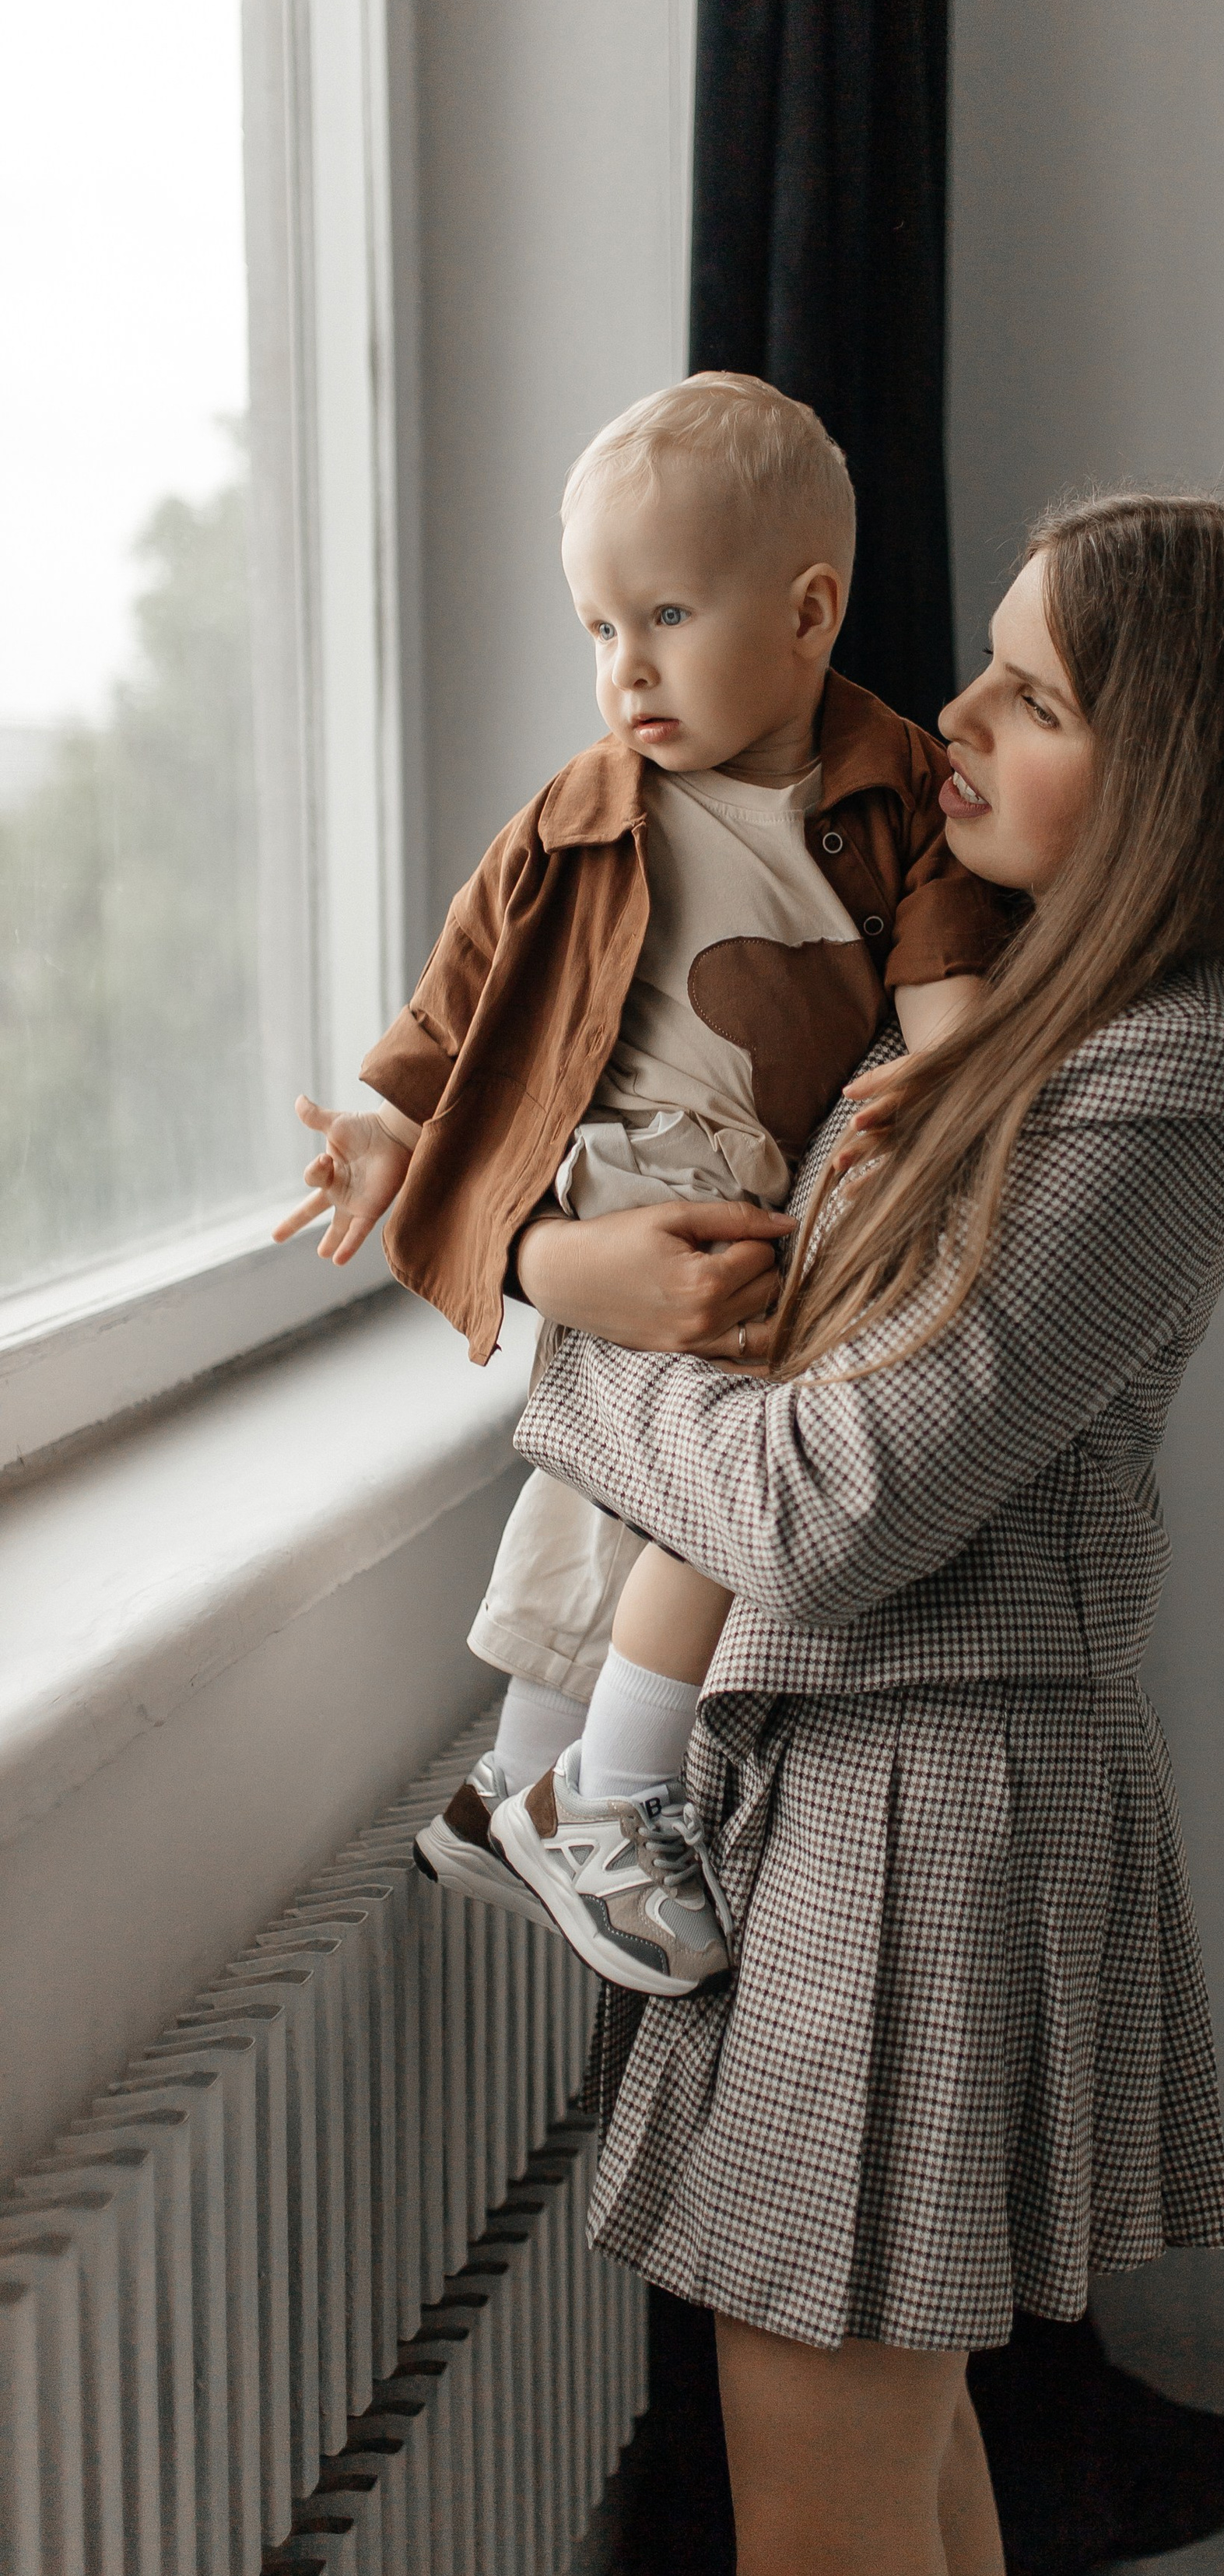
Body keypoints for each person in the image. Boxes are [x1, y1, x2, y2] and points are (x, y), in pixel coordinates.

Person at [509, 491, 1224, 2576]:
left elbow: (823, 1502)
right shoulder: (988, 1037)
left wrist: (556, 1326)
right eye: (986, 659)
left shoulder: (1163, 1080)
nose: (955, 716)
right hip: (871, 1797)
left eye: (1037, 693)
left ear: (1173, 778)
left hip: (925, 1817)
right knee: (903, 2508)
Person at [273, 374, 1014, 1991]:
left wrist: (944, 1080)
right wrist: (391, 1128)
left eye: (665, 617)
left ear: (808, 610)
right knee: (738, 1471)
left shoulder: (888, 790)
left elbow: (943, 971)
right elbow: (456, 994)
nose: (625, 671)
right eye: (599, 630)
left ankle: (512, 1783)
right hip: (633, 1184)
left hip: (771, 1184)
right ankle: (612, 1787)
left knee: (616, 1494)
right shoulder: (585, 809)